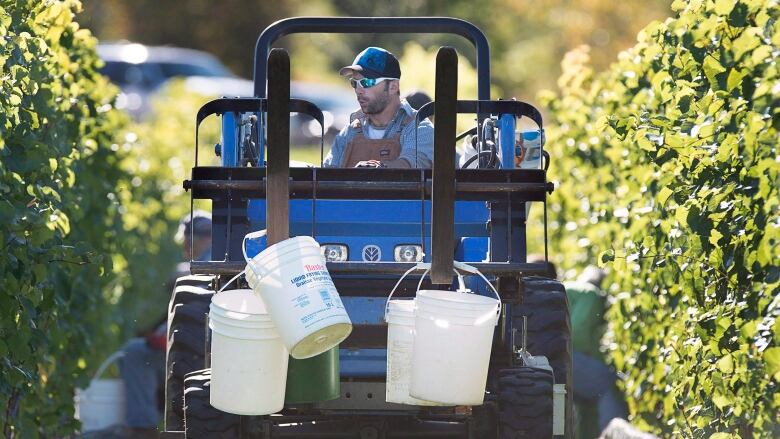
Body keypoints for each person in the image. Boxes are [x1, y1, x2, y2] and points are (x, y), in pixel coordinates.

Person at [112, 211, 212, 437]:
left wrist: (162, 335)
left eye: (188, 240)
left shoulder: (194, 270)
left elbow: (195, 312)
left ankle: (142, 426)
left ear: (194, 239)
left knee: (136, 353)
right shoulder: (228, 259)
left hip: (198, 355)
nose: (185, 246)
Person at [323, 47, 434, 168]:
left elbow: (412, 165)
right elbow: (326, 175)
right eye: (354, 83)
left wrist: (377, 171)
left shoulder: (419, 128)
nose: (358, 90)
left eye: (367, 82)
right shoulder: (349, 132)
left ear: (393, 86)